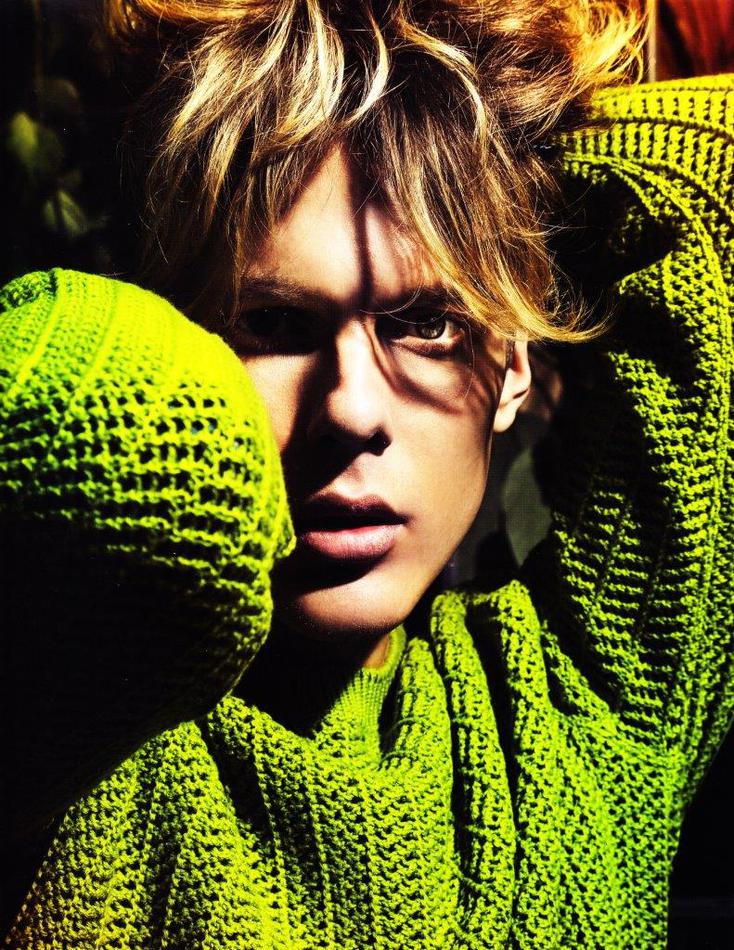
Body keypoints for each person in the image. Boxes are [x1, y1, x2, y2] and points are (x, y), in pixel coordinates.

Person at [1, 1, 732, 947]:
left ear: (513, 359)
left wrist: (499, 138)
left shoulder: (591, 702)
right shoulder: (79, 737)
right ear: (183, 342)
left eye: (425, 321)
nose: (351, 410)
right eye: (272, 324)